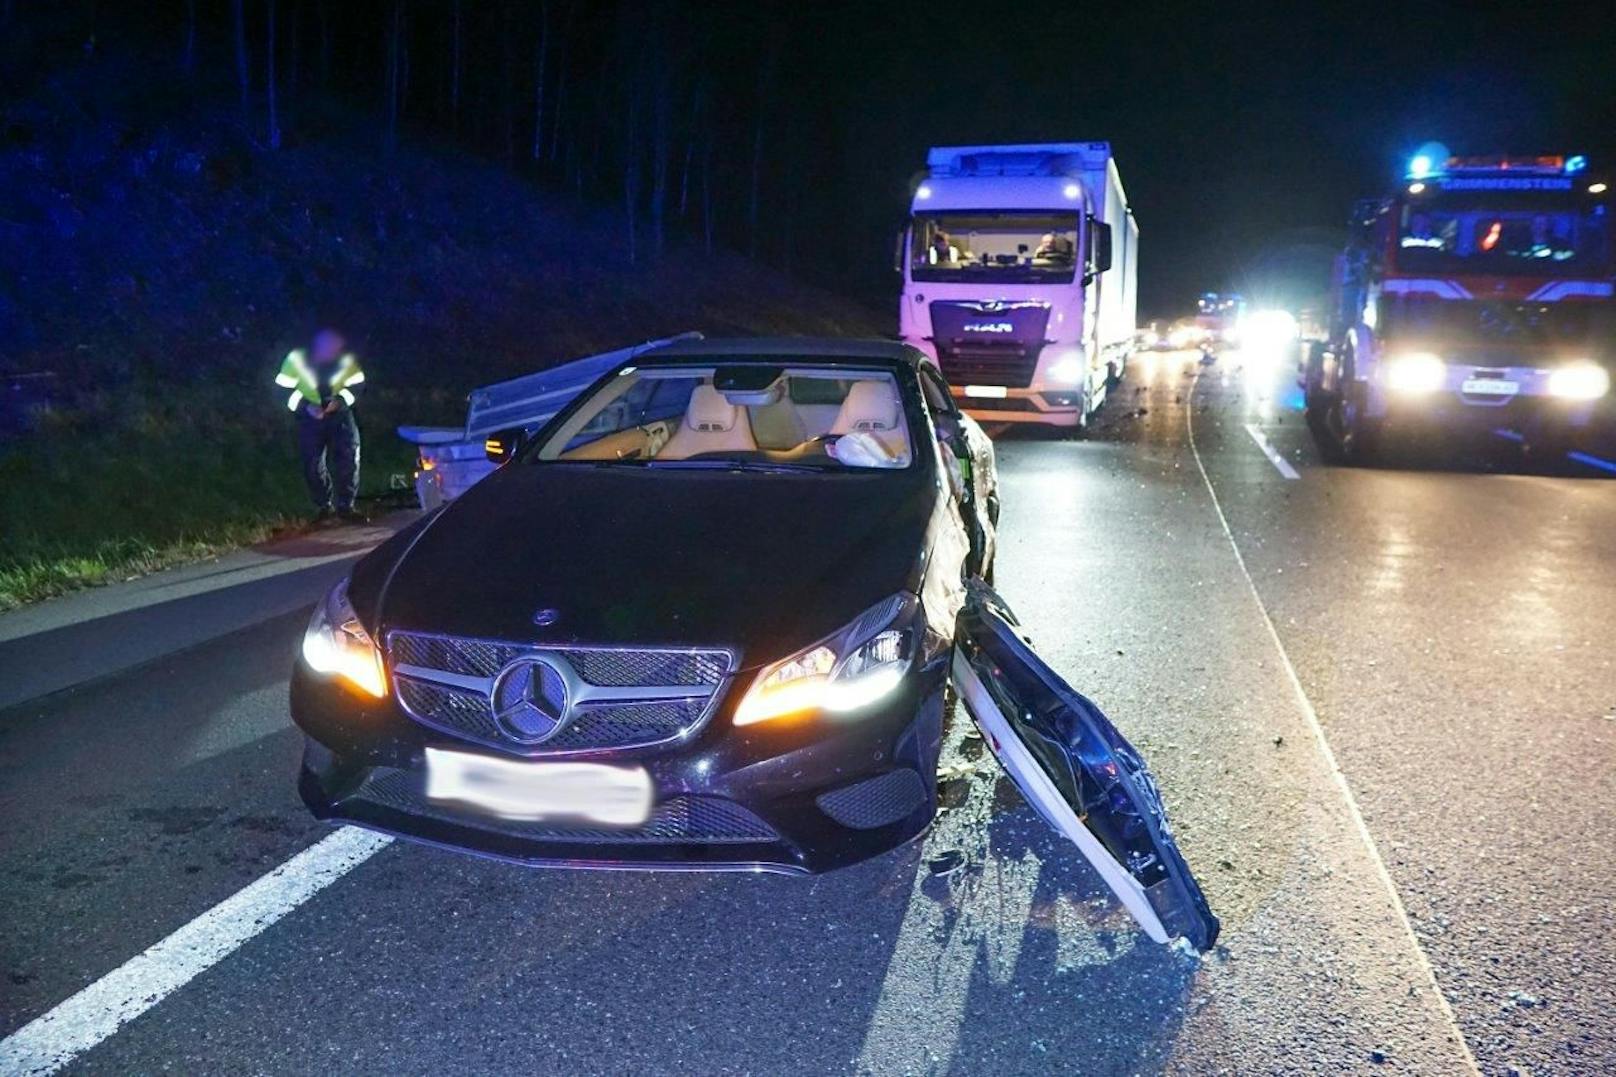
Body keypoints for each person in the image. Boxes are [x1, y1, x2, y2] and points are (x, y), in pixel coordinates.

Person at [274, 329, 367, 523]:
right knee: (312, 463)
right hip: (309, 418)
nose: (335, 348)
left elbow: (358, 386)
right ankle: (324, 507)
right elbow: (282, 390)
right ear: (317, 342)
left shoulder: (346, 360)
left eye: (337, 344)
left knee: (349, 458)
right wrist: (306, 407)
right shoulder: (296, 359)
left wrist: (340, 401)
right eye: (330, 343)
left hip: (340, 415)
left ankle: (346, 507)